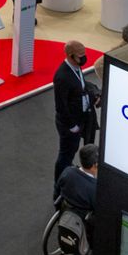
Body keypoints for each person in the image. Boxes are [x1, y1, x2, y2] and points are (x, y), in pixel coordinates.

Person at [52, 41, 98, 183]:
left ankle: (69, 170)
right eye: (80, 55)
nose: (84, 58)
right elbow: (61, 106)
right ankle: (59, 184)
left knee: (78, 147)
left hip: (83, 117)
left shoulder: (76, 68)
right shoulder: (62, 76)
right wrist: (72, 126)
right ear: (70, 56)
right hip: (70, 124)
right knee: (66, 154)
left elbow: (80, 86)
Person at [53, 144, 98, 214]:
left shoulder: (67, 172)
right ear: (95, 165)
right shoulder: (95, 188)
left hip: (64, 211)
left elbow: (57, 192)